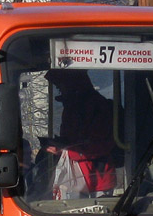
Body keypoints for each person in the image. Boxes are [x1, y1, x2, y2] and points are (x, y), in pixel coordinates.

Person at [42, 69, 116, 198]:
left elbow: (99, 145)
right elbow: (73, 139)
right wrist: (60, 145)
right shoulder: (71, 107)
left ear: (72, 83)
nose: (59, 89)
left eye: (60, 85)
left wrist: (65, 150)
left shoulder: (97, 107)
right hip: (78, 177)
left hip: (96, 180)